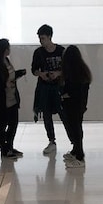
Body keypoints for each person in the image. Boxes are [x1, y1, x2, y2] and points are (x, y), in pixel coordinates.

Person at [0, 38, 26, 159]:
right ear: (4, 49)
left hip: (12, 97)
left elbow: (10, 76)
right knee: (2, 124)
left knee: (13, 123)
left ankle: (9, 146)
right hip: (1, 100)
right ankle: (4, 149)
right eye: (8, 47)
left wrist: (19, 73)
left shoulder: (6, 61)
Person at [31, 24, 65, 155]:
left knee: (64, 114)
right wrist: (41, 74)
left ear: (50, 37)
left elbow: (68, 69)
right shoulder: (38, 53)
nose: (41, 41)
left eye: (43, 38)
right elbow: (34, 70)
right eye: (40, 38)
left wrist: (58, 73)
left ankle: (74, 142)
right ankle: (51, 140)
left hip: (59, 88)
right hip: (44, 88)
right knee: (46, 115)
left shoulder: (61, 51)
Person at [61, 45, 92, 168]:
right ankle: (76, 150)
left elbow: (75, 91)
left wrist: (65, 95)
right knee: (76, 127)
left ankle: (79, 155)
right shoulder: (81, 71)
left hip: (74, 105)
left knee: (76, 129)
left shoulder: (75, 73)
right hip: (78, 105)